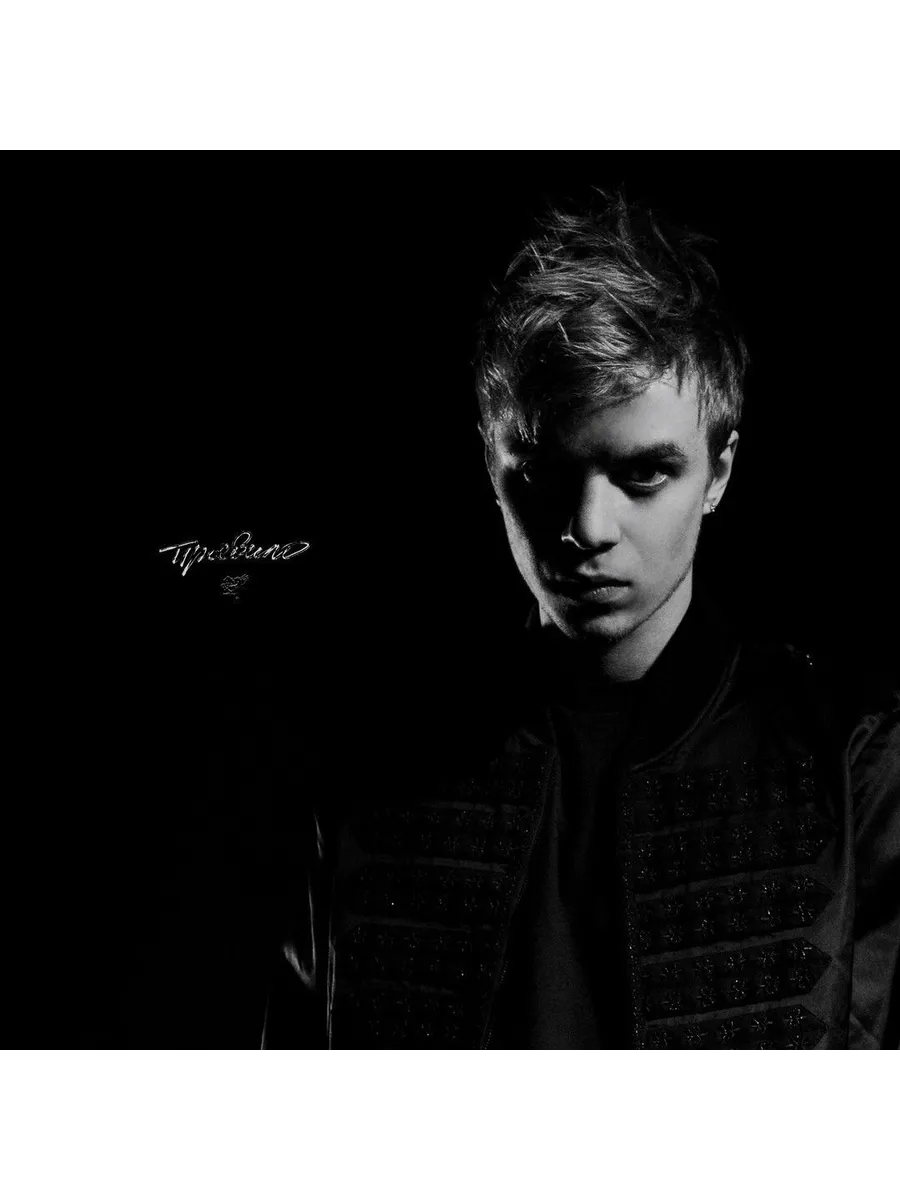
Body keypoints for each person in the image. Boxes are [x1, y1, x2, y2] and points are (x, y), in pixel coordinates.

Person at [260, 193, 899, 1054]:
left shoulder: (853, 756)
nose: (588, 528)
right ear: (492, 468)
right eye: (543, 475)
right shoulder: (373, 759)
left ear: (719, 472)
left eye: (644, 474)